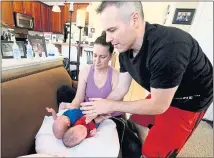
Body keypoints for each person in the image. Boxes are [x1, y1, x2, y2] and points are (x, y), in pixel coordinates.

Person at [80, 2, 213, 157]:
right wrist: (102, 107)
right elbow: (121, 88)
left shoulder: (169, 49)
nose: (108, 39)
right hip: (162, 91)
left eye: (112, 30)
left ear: (134, 20)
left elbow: (158, 106)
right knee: (136, 121)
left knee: (155, 152)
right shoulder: (125, 50)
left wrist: (110, 105)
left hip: (188, 100)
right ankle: (147, 147)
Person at [57, 33, 142, 158]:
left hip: (110, 116)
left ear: (111, 56)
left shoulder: (116, 76)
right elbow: (79, 97)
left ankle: (129, 125)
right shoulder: (86, 71)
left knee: (134, 149)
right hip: (87, 111)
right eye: (95, 55)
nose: (97, 61)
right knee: (63, 90)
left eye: (102, 57)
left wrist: (98, 114)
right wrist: (68, 112)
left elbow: (115, 106)